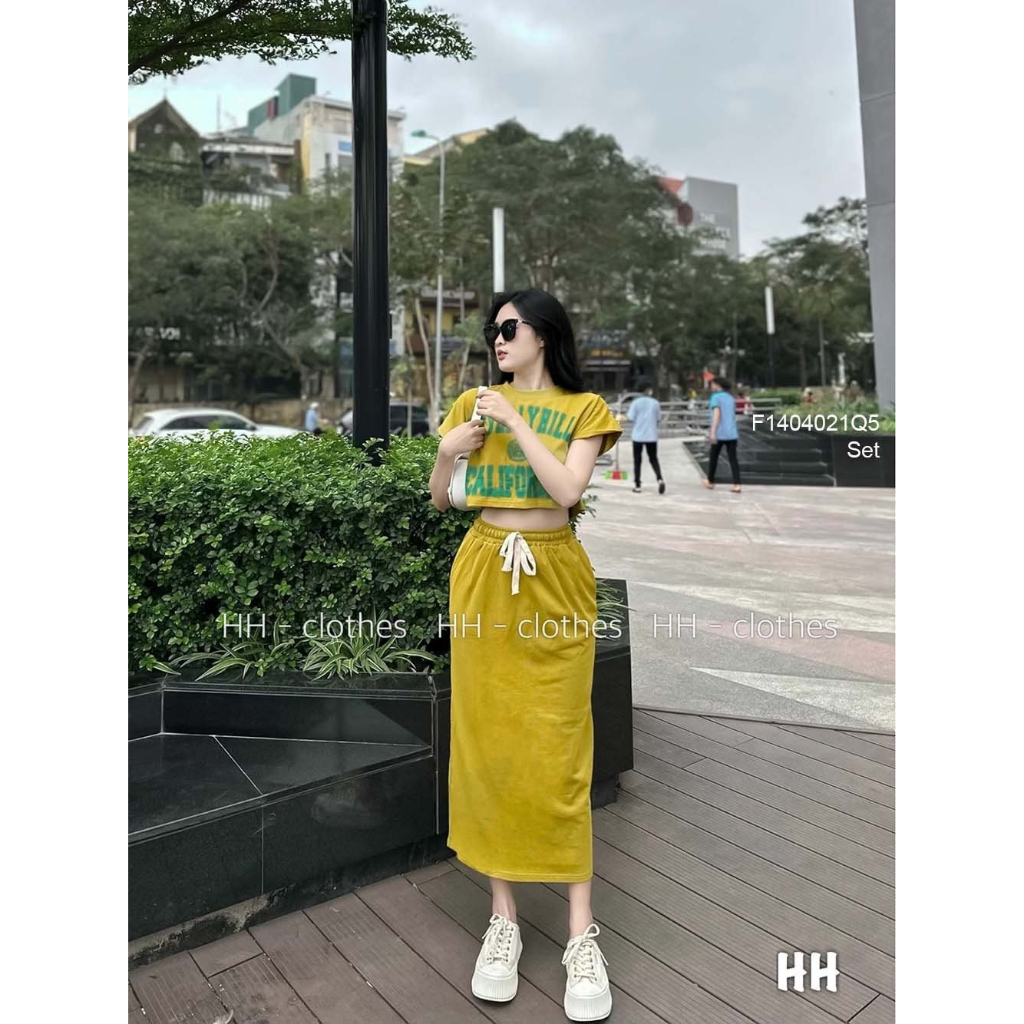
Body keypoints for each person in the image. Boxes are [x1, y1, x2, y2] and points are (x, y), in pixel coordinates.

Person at [430, 287, 622, 1022]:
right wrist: (445, 456)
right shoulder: (470, 404)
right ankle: (503, 920)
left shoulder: (584, 410)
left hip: (555, 578)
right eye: (493, 330)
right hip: (484, 571)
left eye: (510, 327)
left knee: (561, 744)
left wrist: (514, 420)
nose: (498, 339)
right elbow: (443, 500)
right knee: (490, 743)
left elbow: (568, 490)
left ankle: (580, 934)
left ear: (545, 334)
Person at [703, 376, 741, 493]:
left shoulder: (715, 397)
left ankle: (710, 481)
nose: (711, 386)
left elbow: (717, 414)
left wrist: (713, 432)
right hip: (732, 433)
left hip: (720, 433)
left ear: (717, 385)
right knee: (733, 459)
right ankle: (737, 484)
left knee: (714, 457)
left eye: (712, 384)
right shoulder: (730, 397)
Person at [626, 380, 666, 494]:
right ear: (648, 390)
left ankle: (637, 485)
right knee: (653, 459)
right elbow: (658, 419)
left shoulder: (635, 403)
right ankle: (660, 479)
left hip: (637, 436)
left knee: (637, 461)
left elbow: (630, 418)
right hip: (651, 436)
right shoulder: (655, 403)